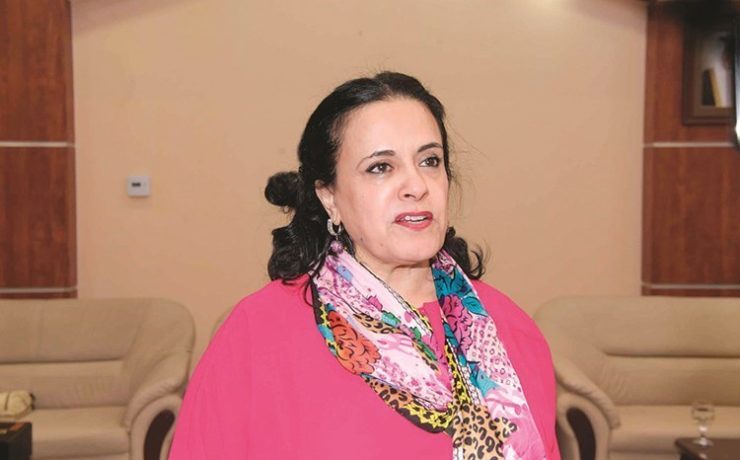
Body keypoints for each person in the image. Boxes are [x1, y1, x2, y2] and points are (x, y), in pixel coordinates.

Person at [169, 72, 560, 459]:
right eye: (380, 167)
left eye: (430, 161)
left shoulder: (509, 329)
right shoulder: (257, 333)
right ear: (329, 197)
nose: (416, 186)